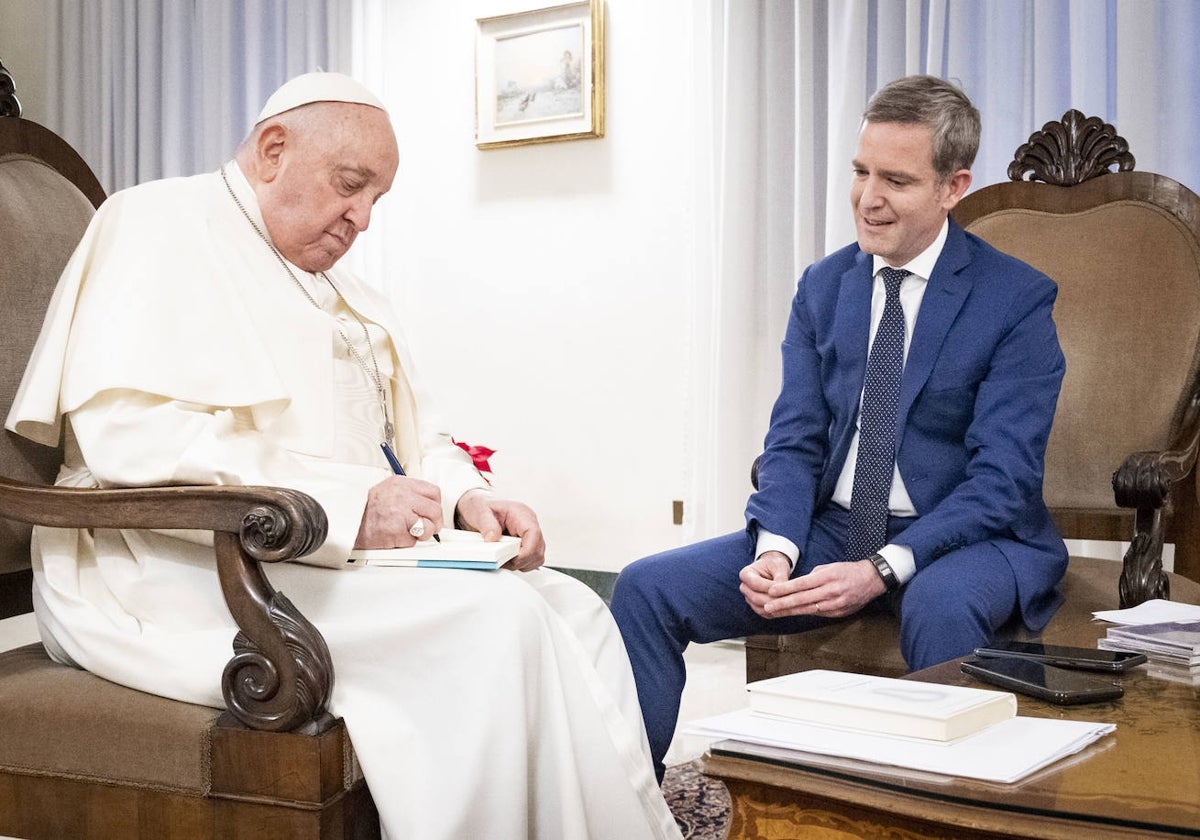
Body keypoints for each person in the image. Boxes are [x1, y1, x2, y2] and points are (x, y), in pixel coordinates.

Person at [7, 72, 681, 840]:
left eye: (374, 200)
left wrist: (463, 497)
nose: (360, 218)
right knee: (498, 629)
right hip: (161, 560)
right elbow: (134, 443)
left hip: (300, 544)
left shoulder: (336, 285)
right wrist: (352, 503)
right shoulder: (156, 223)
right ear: (271, 151)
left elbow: (397, 433)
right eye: (350, 185)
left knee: (575, 608)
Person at [610, 75, 1069, 781]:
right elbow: (793, 440)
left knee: (939, 606)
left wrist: (883, 568)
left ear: (953, 187)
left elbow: (1002, 482)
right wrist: (777, 548)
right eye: (859, 172)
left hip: (965, 538)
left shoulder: (1015, 298)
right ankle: (624, 805)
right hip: (833, 525)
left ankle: (932, 818)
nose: (867, 198)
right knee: (646, 587)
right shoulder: (824, 287)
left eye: (896, 179)